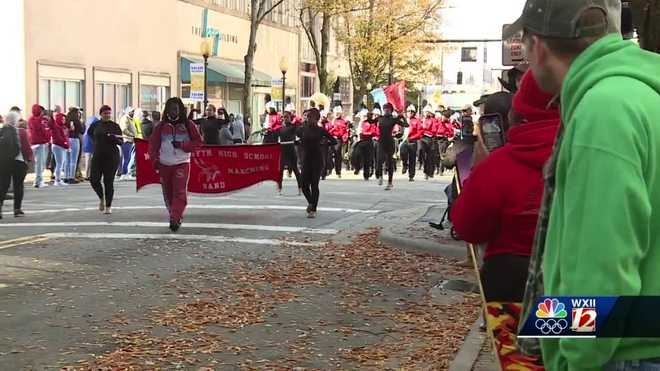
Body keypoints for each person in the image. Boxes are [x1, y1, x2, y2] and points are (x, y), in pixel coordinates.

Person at [507, 0, 660, 369]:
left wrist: (572, 358)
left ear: (537, 46)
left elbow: (600, 266)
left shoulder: (603, 110)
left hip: (620, 353)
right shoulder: (637, 95)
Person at [451, 71, 557, 369]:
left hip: (511, 285)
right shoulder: (589, 152)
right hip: (577, 283)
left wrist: (478, 169)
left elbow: (468, 225)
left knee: (522, 364)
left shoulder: (501, 164)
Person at [149, 97, 202, 232]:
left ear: (180, 110)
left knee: (179, 191)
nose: (173, 111)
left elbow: (198, 142)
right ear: (166, 110)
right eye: (171, 109)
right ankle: (175, 214)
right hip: (164, 164)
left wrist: (183, 145)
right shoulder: (160, 126)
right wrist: (154, 160)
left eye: (176, 109)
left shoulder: (189, 125)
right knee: (168, 193)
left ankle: (174, 218)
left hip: (182, 163)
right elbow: (153, 145)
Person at [296, 108, 336, 218]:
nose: (308, 119)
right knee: (303, 184)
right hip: (306, 159)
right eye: (307, 117)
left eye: (310, 117)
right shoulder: (302, 129)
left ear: (316, 118)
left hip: (317, 160)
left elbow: (333, 141)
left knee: (314, 184)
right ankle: (311, 202)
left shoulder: (320, 130)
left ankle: (313, 209)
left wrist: (324, 143)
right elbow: (297, 138)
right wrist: (298, 142)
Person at [88, 106, 123, 214]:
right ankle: (101, 197)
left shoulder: (115, 126)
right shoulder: (95, 125)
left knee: (108, 182)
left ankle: (108, 206)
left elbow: (121, 141)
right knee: (94, 180)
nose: (107, 115)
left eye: (109, 113)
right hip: (98, 156)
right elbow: (90, 134)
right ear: (101, 114)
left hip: (111, 157)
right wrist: (96, 144)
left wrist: (114, 139)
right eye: (105, 113)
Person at [0, 112, 33, 218]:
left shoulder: (2, 131)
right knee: (18, 186)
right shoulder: (21, 132)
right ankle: (17, 209)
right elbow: (27, 147)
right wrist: (28, 159)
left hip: (5, 162)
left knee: (3, 186)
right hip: (19, 162)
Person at [375, 103, 405, 190]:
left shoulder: (393, 119)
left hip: (389, 142)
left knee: (389, 162)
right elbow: (371, 122)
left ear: (391, 110)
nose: (386, 110)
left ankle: (390, 182)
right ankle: (380, 176)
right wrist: (370, 117)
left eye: (388, 109)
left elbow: (406, 125)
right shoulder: (380, 118)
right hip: (381, 141)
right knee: (379, 159)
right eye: (384, 108)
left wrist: (402, 117)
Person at [276, 109, 302, 195]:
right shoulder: (280, 128)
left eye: (287, 117)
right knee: (280, 170)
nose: (285, 119)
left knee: (295, 170)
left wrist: (297, 141)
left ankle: (300, 187)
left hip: (291, 150)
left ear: (290, 118)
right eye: (284, 117)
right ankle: (279, 187)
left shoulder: (293, 127)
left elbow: (300, 133)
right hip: (283, 151)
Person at [28, 105, 50, 188]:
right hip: (40, 143)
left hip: (33, 143)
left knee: (38, 163)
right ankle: (38, 181)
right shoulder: (41, 120)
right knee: (40, 163)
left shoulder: (30, 119)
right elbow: (44, 130)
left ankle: (39, 180)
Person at [49, 105, 70, 186]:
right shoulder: (57, 127)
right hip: (58, 146)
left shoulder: (61, 127)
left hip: (60, 146)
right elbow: (59, 139)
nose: (64, 120)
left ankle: (58, 179)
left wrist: (66, 145)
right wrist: (66, 145)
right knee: (59, 163)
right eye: (63, 119)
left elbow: (64, 138)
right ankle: (57, 180)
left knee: (61, 163)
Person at [327, 106, 349, 178]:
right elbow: (328, 131)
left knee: (337, 155)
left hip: (338, 140)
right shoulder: (331, 121)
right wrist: (332, 128)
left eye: (338, 113)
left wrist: (345, 137)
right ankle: (330, 167)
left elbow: (345, 131)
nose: (337, 114)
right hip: (331, 139)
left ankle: (338, 171)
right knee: (328, 154)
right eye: (336, 113)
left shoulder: (343, 122)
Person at [65, 107, 84, 184]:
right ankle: (71, 177)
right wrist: (81, 122)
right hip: (75, 139)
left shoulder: (66, 120)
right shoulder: (76, 120)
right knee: (74, 159)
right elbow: (82, 130)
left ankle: (66, 177)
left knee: (67, 159)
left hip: (67, 139)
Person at [403, 105, 422, 182]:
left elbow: (420, 132)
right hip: (404, 141)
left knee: (412, 159)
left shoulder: (417, 121)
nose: (410, 113)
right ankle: (404, 164)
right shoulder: (404, 120)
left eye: (412, 111)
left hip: (413, 141)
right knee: (403, 153)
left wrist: (413, 137)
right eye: (409, 111)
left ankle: (411, 175)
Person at [118, 107, 136, 180]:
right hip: (126, 140)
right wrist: (131, 134)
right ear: (128, 112)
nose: (133, 113)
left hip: (130, 140)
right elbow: (124, 129)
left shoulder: (130, 119)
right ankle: (123, 174)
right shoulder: (125, 118)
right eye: (132, 111)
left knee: (128, 158)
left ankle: (127, 173)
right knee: (126, 158)